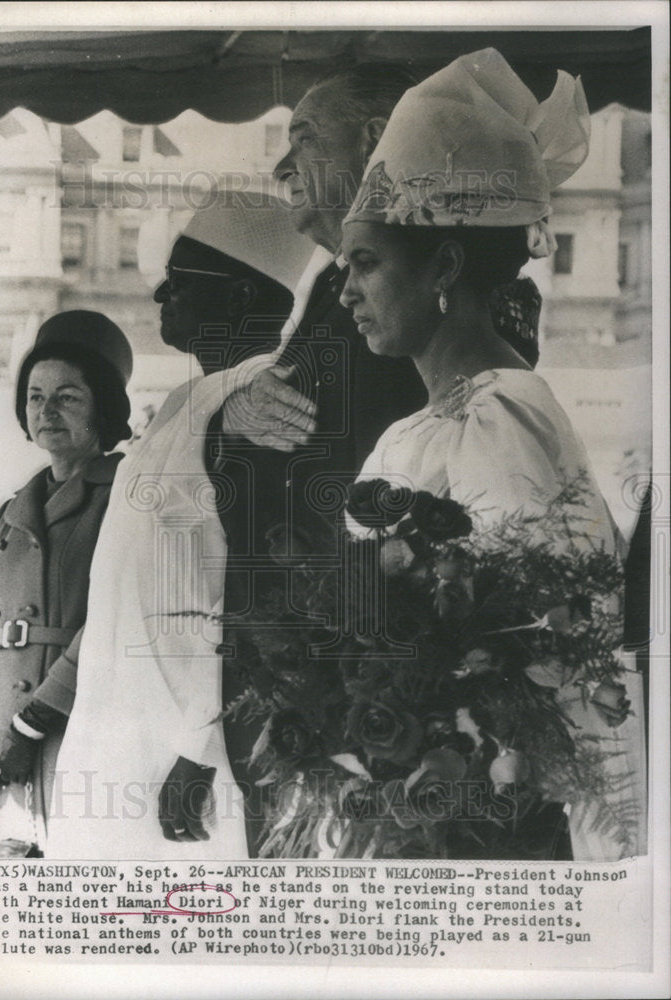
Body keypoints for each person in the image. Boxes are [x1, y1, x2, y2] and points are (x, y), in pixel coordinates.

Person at [213, 64, 544, 856]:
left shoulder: (469, 337)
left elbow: (487, 558)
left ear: (372, 142)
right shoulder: (332, 298)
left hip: (387, 707)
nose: (282, 166)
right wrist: (233, 415)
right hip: (314, 687)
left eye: (304, 139)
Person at [339, 48, 645, 860]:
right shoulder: (425, 424)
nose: (345, 292)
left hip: (484, 821)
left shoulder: (499, 418)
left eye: (365, 264)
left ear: (443, 265)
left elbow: (544, 655)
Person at [46, 195, 314, 859]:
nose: (161, 294)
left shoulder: (259, 399)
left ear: (241, 295)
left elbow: (251, 594)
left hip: (185, 748)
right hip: (120, 723)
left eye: (181, 282)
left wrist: (197, 750)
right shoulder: (185, 401)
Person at [0, 310, 133, 858]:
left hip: (73, 726)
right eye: (35, 397)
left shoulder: (126, 495)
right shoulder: (11, 510)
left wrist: (32, 724)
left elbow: (113, 623)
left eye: (68, 397)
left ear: (102, 407)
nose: (47, 411)